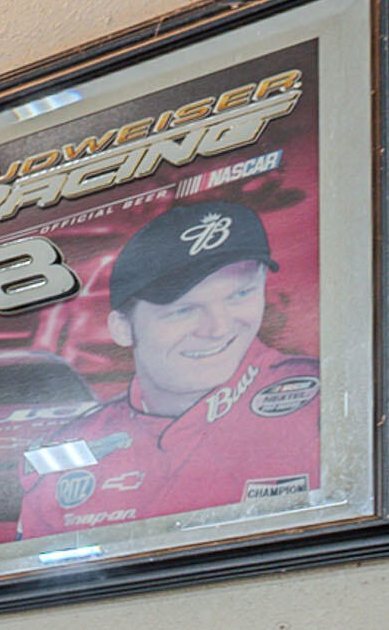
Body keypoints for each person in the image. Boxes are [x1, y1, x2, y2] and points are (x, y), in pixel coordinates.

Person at [16, 199, 320, 537]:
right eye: (183, 309)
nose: (218, 328)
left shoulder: (328, 402)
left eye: (240, 295)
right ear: (122, 327)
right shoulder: (66, 448)